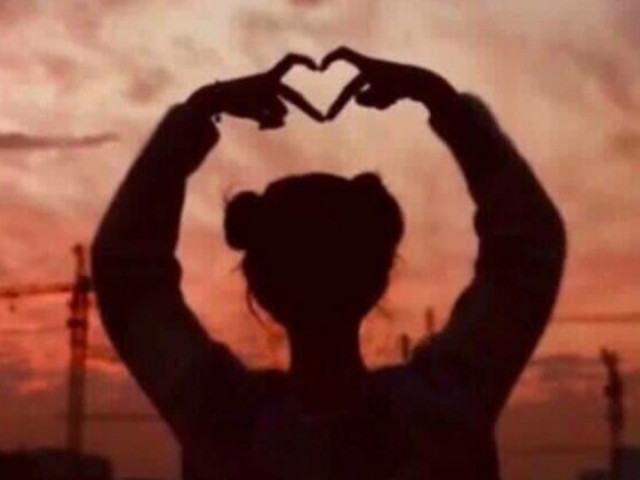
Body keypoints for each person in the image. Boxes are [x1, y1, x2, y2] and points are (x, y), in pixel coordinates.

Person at [91, 48, 566, 480]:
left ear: (259, 286)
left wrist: (200, 112)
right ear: (380, 276)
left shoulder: (226, 424)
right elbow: (527, 252)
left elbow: (128, 273)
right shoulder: (438, 412)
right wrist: (438, 99)